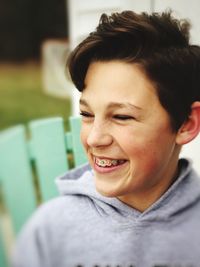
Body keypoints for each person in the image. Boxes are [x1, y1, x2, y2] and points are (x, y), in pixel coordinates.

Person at [12, 10, 200, 267]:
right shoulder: (50, 231)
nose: (94, 139)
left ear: (187, 124)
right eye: (87, 114)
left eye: (122, 117)